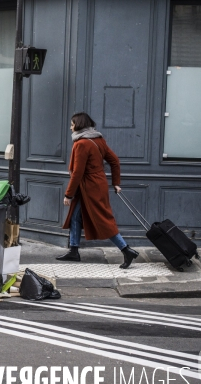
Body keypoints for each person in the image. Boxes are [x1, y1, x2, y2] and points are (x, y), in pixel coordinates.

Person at [56, 112, 139, 269]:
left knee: (103, 220)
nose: (70, 127)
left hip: (89, 187)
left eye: (72, 124)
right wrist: (115, 182)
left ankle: (126, 250)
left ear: (79, 125)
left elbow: (78, 173)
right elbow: (115, 161)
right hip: (95, 185)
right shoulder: (98, 139)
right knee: (75, 217)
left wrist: (68, 194)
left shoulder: (81, 144)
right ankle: (73, 251)